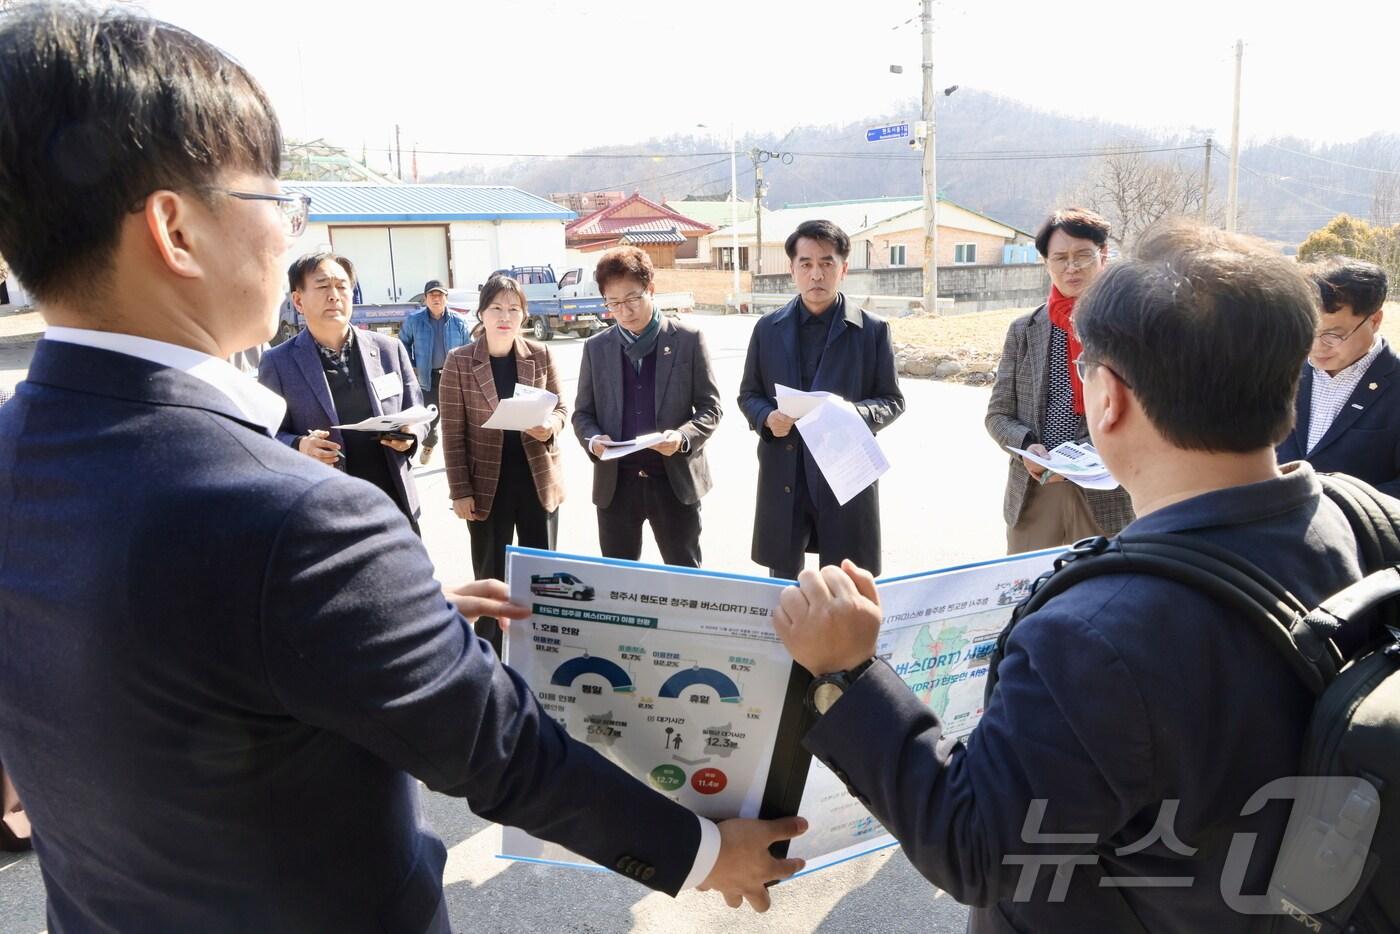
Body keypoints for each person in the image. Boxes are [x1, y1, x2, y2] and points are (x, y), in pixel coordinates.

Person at [0, 6, 804, 930]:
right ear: (176, 231)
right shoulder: (296, 520)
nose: (291, 235)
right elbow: (499, 751)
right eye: (278, 204)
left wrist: (368, 629)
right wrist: (710, 852)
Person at [770, 220, 1373, 931]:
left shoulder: (1091, 637)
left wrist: (848, 672)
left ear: (1108, 398)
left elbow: (976, 847)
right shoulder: (1367, 521)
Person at [737, 219, 904, 579]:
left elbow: (892, 399)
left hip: (845, 470)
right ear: (792, 269)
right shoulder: (768, 328)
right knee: (782, 586)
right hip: (785, 468)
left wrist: (854, 414)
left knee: (844, 583)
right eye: (806, 264)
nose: (816, 275)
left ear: (843, 269)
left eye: (827, 263)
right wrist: (767, 417)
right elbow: (748, 394)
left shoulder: (871, 330)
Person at [985, 208, 1134, 554]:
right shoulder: (1025, 330)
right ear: (1045, 262)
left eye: (1083, 256)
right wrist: (1026, 446)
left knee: (1107, 595)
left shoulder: (1128, 328)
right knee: (1031, 598)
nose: (1072, 267)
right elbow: (997, 415)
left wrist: (1084, 458)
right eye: (1060, 258)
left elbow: (1147, 414)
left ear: (1104, 255)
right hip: (1035, 494)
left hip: (1107, 496)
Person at [439, 274, 566, 654]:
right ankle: (488, 659)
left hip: (536, 481)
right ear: (481, 313)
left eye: (514, 308)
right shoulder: (460, 361)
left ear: (524, 315)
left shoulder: (539, 354)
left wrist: (550, 427)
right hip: (485, 487)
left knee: (541, 577)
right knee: (490, 577)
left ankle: (540, 652)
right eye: (496, 308)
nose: (505, 316)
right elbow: (453, 431)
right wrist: (460, 491)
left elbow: (561, 407)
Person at [573, 246, 722, 568]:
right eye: (613, 304)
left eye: (632, 299)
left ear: (650, 289)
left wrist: (682, 438)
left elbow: (711, 408)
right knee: (619, 582)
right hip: (617, 485)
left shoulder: (687, 339)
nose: (624, 311)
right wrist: (593, 439)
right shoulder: (597, 348)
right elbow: (582, 413)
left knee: (685, 576)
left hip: (673, 482)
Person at [259, 253, 426, 534]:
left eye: (342, 286)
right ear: (298, 301)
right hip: (324, 511)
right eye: (323, 286)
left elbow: (417, 412)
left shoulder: (389, 349)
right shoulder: (278, 362)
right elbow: (265, 434)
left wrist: (410, 437)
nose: (334, 295)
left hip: (393, 502)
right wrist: (300, 445)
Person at [1275, 256, 1399, 494]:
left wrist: (1333, 509)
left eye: (1333, 335)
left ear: (1374, 320)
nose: (1317, 347)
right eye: (1308, 331)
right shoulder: (1280, 372)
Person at [399, 278, 472, 465]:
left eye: (440, 295)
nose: (436, 298)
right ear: (425, 298)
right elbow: (402, 344)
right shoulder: (414, 321)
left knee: (456, 419)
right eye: (432, 295)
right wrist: (411, 365)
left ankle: (458, 457)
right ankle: (430, 442)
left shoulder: (459, 322)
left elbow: (469, 349)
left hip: (453, 378)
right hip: (427, 378)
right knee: (430, 417)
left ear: (446, 298)